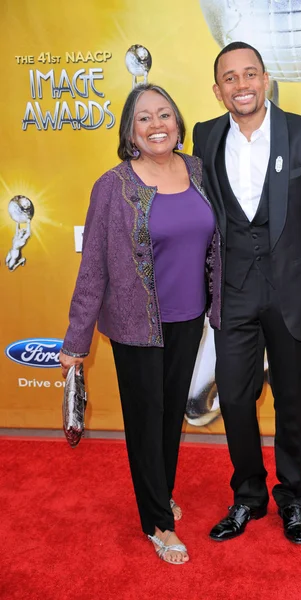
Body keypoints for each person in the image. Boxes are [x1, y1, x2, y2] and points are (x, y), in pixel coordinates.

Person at [193, 42, 301, 544]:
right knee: (235, 399)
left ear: (266, 80)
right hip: (232, 292)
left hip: (295, 293)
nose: (242, 86)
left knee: (290, 402)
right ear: (218, 91)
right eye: (230, 79)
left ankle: (293, 498)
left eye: (250, 74)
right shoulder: (205, 137)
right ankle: (248, 496)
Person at [60, 83, 221, 564]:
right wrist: (75, 340)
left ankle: (159, 493)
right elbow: (93, 268)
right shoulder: (113, 186)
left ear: (178, 123)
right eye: (145, 118)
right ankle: (157, 521)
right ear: (131, 131)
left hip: (189, 319)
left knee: (171, 416)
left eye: (165, 115)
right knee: (146, 422)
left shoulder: (195, 170)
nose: (157, 125)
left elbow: (216, 242)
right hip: (136, 326)